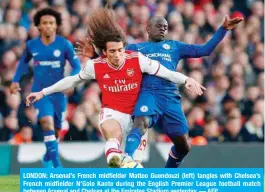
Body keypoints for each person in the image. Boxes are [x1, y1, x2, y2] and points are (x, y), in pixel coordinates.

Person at [26, 7, 206, 168]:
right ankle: (113, 155)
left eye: (120, 50)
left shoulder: (137, 59)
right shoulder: (95, 65)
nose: (118, 55)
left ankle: (122, 162)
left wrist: (186, 80)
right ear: (105, 52)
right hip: (112, 112)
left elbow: (166, 73)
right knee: (114, 139)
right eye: (112, 51)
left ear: (124, 48)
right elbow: (71, 81)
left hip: (135, 118)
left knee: (133, 167)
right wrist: (43, 92)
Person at [76, 14, 243, 167]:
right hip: (148, 93)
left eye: (166, 26)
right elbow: (111, 62)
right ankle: (126, 158)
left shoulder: (174, 46)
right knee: (141, 121)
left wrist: (223, 29)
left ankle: (167, 176)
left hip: (170, 97)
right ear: (148, 29)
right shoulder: (135, 49)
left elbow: (204, 50)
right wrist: (93, 57)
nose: (163, 28)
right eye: (159, 25)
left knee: (184, 145)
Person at [10, 8, 81, 168]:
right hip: (39, 92)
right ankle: (57, 166)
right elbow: (22, 63)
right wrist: (15, 80)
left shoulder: (64, 45)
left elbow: (76, 66)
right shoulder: (32, 45)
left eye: (51, 23)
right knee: (46, 123)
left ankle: (48, 156)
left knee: (55, 130)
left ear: (56, 26)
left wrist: (72, 81)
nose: (48, 26)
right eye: (44, 23)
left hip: (59, 92)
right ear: (39, 26)